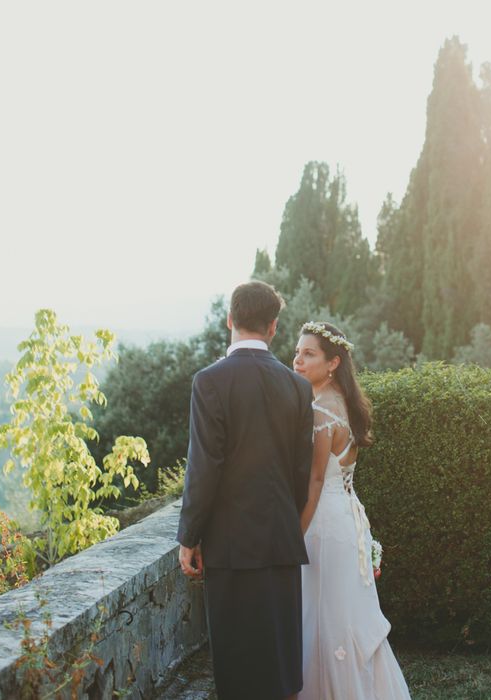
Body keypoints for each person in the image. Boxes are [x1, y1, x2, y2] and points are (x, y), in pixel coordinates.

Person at [177, 281, 314, 700]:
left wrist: (189, 537)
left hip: (230, 545)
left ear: (230, 320)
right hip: (279, 540)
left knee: (237, 671)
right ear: (273, 327)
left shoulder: (209, 381)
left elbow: (205, 467)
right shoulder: (298, 387)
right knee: (281, 666)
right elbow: (300, 474)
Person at [293, 321, 411, 699]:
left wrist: (294, 536)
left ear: (333, 363)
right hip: (347, 519)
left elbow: (313, 482)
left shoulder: (320, 410)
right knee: (340, 619)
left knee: (324, 622)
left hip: (322, 526)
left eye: (308, 353)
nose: (297, 359)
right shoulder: (343, 401)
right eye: (297, 351)